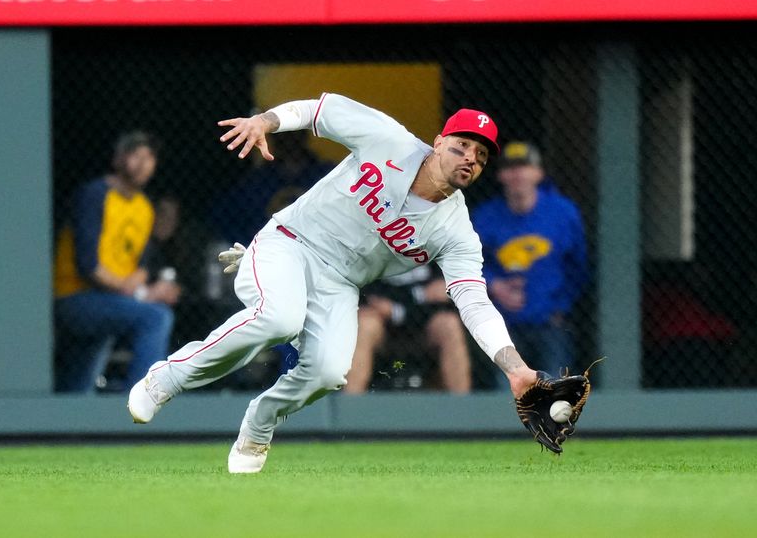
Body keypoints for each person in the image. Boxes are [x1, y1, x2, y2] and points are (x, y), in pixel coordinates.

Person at [128, 93, 542, 473]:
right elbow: (317, 112)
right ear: (438, 142)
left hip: (340, 284)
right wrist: (266, 122)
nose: (471, 157)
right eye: (462, 145)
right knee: (279, 319)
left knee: (327, 372)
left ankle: (259, 423)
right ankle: (167, 377)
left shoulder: (457, 232)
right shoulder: (389, 139)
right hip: (289, 243)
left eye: (482, 154)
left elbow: (473, 302)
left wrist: (517, 369)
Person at [53, 131, 181, 392]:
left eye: (150, 157)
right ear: (118, 159)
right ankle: (141, 400)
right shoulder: (95, 194)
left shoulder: (144, 207)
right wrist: (140, 293)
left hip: (112, 301)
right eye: (136, 155)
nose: (143, 163)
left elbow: (142, 265)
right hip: (76, 297)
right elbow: (88, 266)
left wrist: (144, 289)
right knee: (156, 318)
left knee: (78, 387)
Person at [471, 141, 589, 377]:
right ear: (500, 175)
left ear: (538, 173)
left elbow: (579, 267)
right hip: (502, 324)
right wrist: (495, 286)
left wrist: (560, 305)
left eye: (524, 167)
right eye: (510, 168)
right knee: (505, 392)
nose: (517, 174)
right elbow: (468, 264)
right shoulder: (485, 216)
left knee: (555, 391)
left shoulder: (563, 213)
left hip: (551, 322)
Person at [344, 265, 472, 393]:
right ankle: (349, 406)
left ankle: (461, 407)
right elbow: (369, 294)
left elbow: (442, 292)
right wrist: (421, 296)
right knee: (365, 324)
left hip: (426, 322)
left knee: (450, 324)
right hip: (382, 323)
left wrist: (397, 309)